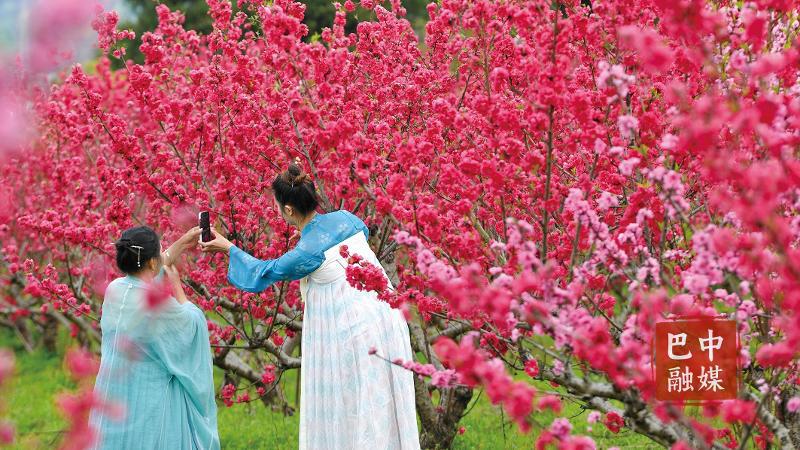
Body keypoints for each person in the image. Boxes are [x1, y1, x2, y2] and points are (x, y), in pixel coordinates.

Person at [199, 163, 420, 450]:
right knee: (381, 404)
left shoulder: (306, 253)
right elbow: (356, 238)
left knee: (357, 406)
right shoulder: (347, 218)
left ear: (289, 210)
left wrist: (228, 247)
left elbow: (262, 273)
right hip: (387, 315)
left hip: (356, 332)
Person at [90, 225, 220, 450]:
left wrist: (181, 243)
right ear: (151, 262)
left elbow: (148, 274)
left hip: (115, 395)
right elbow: (192, 324)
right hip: (148, 400)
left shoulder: (114, 290)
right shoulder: (159, 306)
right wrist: (177, 286)